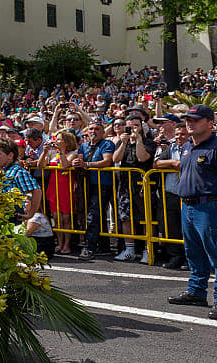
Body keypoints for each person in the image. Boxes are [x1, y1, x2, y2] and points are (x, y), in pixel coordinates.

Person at [167, 104, 217, 317]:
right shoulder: (187, 145)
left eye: (195, 119)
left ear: (210, 122)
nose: (189, 123)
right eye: (188, 119)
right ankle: (196, 291)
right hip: (187, 205)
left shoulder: (215, 146)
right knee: (194, 252)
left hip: (209, 206)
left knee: (215, 253)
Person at [111, 114, 155, 262]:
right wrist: (123, 143)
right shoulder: (121, 141)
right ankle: (129, 249)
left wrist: (138, 140)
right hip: (124, 185)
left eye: (136, 125)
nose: (132, 129)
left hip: (142, 185)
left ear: (142, 126)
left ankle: (148, 249)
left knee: (145, 218)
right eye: (129, 126)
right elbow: (115, 159)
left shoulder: (148, 141)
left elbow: (142, 158)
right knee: (126, 217)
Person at [75, 122, 116, 260]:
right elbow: (79, 160)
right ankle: (103, 246)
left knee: (93, 215)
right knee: (95, 215)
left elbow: (107, 161)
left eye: (97, 129)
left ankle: (89, 248)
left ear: (103, 132)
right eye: (91, 129)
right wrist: (77, 162)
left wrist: (87, 164)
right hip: (87, 184)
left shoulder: (107, 144)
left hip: (103, 184)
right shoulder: (84, 146)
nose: (93, 131)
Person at [38, 130, 80, 255]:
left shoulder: (73, 153)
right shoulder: (51, 153)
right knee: (56, 218)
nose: (56, 141)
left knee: (66, 218)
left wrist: (61, 152)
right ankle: (59, 243)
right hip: (53, 187)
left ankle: (67, 244)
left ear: (67, 141)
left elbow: (64, 166)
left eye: (59, 139)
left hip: (66, 188)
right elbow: (40, 165)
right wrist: (45, 151)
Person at [154, 119, 187, 269]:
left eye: (183, 134)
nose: (180, 137)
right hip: (170, 193)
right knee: (171, 226)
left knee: (189, 229)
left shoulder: (194, 147)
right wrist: (173, 163)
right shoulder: (171, 147)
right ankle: (176, 256)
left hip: (189, 195)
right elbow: (156, 164)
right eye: (178, 134)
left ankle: (190, 259)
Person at [0, 138, 42, 221]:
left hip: (12, 214)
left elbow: (37, 191)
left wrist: (31, 213)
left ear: (10, 155)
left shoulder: (18, 172)